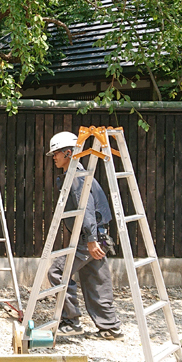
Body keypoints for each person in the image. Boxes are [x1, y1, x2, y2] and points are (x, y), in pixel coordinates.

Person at [46, 131, 123, 340]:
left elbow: (85, 209)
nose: (54, 157)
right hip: (98, 236)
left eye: (56, 153)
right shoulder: (76, 175)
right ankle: (110, 327)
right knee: (95, 280)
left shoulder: (78, 178)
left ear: (68, 153)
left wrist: (90, 241)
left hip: (90, 239)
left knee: (57, 272)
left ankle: (71, 321)